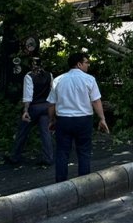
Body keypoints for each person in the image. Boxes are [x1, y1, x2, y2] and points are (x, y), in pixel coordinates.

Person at [47, 52, 110, 183]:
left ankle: (60, 184)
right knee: (84, 152)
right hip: (84, 120)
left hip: (63, 119)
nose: (88, 65)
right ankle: (84, 183)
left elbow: (52, 104)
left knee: (62, 153)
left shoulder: (58, 80)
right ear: (79, 64)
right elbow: (96, 101)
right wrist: (102, 118)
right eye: (87, 62)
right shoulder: (89, 79)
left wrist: (52, 120)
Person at [6, 58, 54, 166]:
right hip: (46, 106)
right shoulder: (49, 75)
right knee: (45, 132)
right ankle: (48, 157)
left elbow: (28, 96)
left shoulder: (29, 76)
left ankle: (15, 156)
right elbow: (53, 90)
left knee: (22, 131)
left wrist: (25, 110)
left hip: (34, 107)